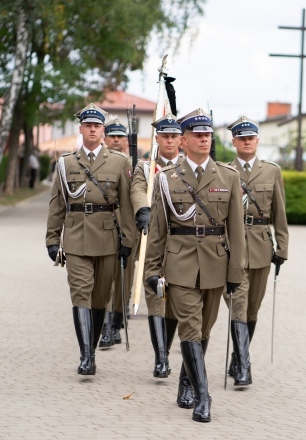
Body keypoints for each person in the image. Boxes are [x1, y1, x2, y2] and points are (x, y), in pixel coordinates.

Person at [145, 108, 245, 423]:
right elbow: (159, 230)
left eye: (208, 134)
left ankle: (186, 381)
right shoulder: (168, 178)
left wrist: (235, 273)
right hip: (181, 262)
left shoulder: (229, 177)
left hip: (216, 263)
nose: (204, 139)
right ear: (184, 140)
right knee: (190, 325)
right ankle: (204, 397)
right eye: (198, 135)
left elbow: (237, 232)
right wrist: (151, 271)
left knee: (205, 329)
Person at [45, 103, 136, 376]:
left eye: (97, 125)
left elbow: (127, 206)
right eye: (88, 125)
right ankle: (86, 355)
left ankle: (91, 348)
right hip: (75, 236)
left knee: (99, 299)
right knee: (81, 293)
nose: (93, 129)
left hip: (108, 237)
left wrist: (128, 240)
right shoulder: (66, 163)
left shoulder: (120, 163)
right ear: (81, 129)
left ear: (103, 130)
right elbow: (57, 204)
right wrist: (52, 238)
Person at [222, 116, 289, 387]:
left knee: (251, 310)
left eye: (251, 138)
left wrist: (282, 246)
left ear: (257, 140)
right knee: (237, 304)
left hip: (261, 247)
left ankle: (237, 358)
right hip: (233, 250)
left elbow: (280, 214)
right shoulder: (224, 171)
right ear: (234, 141)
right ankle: (244, 367)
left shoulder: (271, 171)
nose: (247, 142)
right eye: (242, 138)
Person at [132, 113, 183, 378]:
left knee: (173, 300)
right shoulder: (145, 167)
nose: (170, 141)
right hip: (152, 239)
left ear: (181, 139)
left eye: (174, 136)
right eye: (165, 136)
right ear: (157, 138)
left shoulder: (188, 168)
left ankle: (166, 349)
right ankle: (161, 358)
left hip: (180, 244)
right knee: (155, 296)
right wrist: (143, 209)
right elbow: (138, 190)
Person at [98, 118, 134, 348]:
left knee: (124, 279)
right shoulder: (98, 163)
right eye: (112, 136)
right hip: (106, 225)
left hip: (129, 226)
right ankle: (107, 327)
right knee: (105, 280)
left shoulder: (135, 165)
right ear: (105, 138)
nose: (117, 140)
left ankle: (118, 319)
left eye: (121, 136)